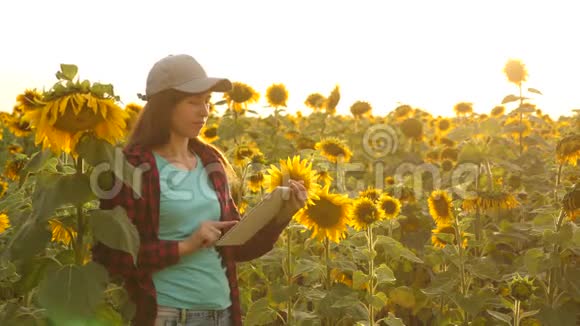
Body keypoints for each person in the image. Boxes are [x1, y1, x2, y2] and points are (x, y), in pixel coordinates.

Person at [91, 54, 307, 326]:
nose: (204, 111)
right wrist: (185, 246)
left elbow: (236, 248)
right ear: (164, 106)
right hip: (169, 315)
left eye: (207, 101)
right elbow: (112, 257)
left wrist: (280, 216)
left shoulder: (210, 163)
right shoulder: (132, 167)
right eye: (194, 102)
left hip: (223, 313)